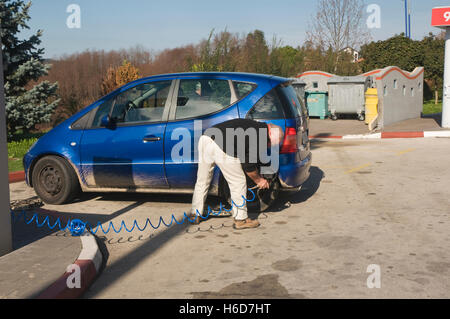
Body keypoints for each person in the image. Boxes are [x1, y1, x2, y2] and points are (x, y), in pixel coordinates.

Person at [189, 119, 284, 230]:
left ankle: (195, 214)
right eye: (273, 142)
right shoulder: (260, 136)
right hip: (221, 144)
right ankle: (241, 219)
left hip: (206, 138)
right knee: (238, 182)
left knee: (203, 180)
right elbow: (248, 166)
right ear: (271, 132)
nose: (269, 145)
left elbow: (248, 155)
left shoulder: (253, 126)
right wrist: (259, 180)